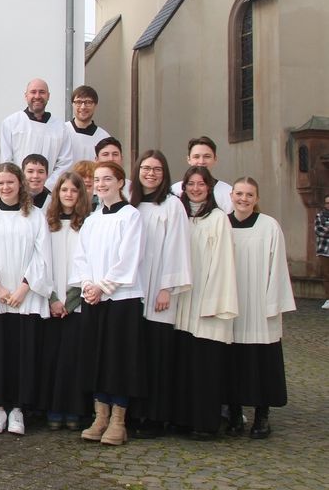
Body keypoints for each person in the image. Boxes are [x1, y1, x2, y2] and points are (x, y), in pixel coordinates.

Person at [0, 162, 52, 436]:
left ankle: (17, 410)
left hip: (25, 299)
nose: (6, 187)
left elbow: (43, 256)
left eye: (11, 183)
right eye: (1, 183)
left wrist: (24, 288)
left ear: (20, 185)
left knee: (22, 354)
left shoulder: (35, 216)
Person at [71, 162, 146, 447]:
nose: (101, 184)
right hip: (94, 298)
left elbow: (129, 257)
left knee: (119, 359)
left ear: (121, 182)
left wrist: (104, 286)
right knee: (97, 358)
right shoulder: (92, 219)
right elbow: (81, 256)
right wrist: (89, 285)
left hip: (121, 299)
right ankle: (99, 416)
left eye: (107, 179)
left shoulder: (131, 216)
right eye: (97, 180)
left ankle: (118, 421)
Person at [127, 149, 191, 438]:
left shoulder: (172, 206)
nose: (150, 173)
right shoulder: (131, 204)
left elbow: (177, 247)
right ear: (137, 171)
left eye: (157, 169)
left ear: (164, 175)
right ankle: (133, 413)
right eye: (146, 168)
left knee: (156, 354)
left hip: (158, 290)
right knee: (135, 354)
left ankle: (154, 416)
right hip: (131, 288)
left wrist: (166, 287)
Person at [226, 177, 296, 439]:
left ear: (256, 199)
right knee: (231, 361)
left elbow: (277, 267)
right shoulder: (221, 223)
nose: (243, 199)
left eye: (249, 195)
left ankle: (262, 416)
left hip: (258, 304)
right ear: (231, 195)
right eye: (239, 194)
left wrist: (273, 304)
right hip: (231, 302)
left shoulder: (269, 226)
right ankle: (234, 414)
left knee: (260, 362)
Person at [173, 166, 239, 437]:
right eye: (191, 184)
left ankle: (205, 423)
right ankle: (183, 419)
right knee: (184, 363)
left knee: (206, 366)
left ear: (209, 188)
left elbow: (223, 263)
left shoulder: (218, 218)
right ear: (184, 186)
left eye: (201, 184)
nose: (196, 189)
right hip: (182, 301)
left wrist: (212, 302)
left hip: (206, 300)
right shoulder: (180, 216)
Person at [40, 171, 90, 431]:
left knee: (73, 359)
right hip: (52, 302)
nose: (69, 194)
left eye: (74, 190)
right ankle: (53, 408)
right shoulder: (47, 225)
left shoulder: (88, 225)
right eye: (64, 190)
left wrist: (70, 301)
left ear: (81, 195)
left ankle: (74, 410)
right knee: (52, 358)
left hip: (77, 304)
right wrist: (53, 298)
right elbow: (42, 263)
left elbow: (88, 265)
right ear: (57, 194)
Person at [0, 78, 72, 180]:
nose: (37, 96)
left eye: (42, 92)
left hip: (48, 192)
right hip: (19, 189)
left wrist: (47, 187)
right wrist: (19, 185)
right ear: (26, 96)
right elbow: (6, 159)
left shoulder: (60, 127)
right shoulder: (11, 123)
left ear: (48, 96)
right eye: (33, 92)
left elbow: (65, 162)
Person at [170, 136, 233, 213]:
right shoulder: (175, 191)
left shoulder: (227, 192)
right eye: (196, 157)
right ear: (188, 159)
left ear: (215, 159)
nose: (201, 161)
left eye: (207, 156)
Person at [64, 85, 110, 167]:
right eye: (78, 102)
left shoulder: (103, 137)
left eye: (88, 102)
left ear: (95, 105)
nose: (83, 107)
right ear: (72, 104)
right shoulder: (63, 131)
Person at [316, 194, 329, 310]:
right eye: (327, 203)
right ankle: (328, 299)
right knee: (326, 275)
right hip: (324, 251)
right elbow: (319, 231)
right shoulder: (320, 215)